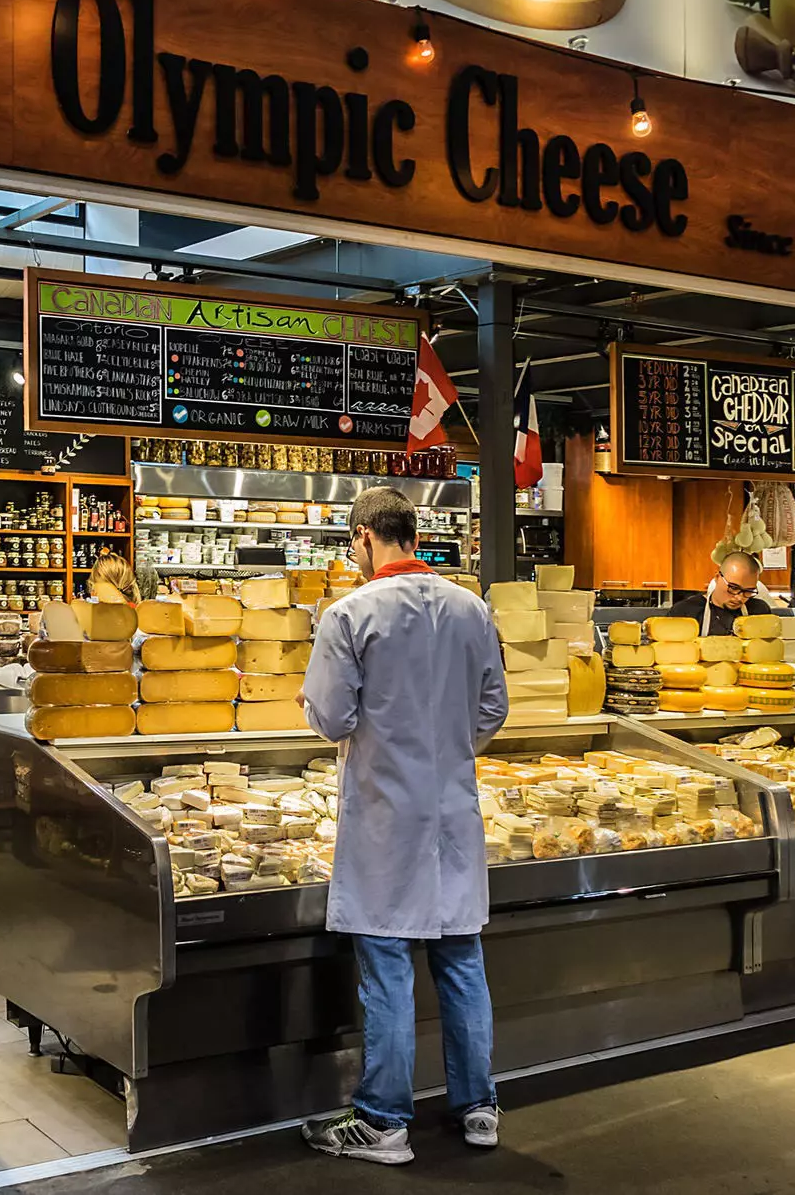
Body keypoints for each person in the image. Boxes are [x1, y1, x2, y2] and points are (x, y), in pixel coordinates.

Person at [298, 485, 507, 1165]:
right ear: (411, 533)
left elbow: (330, 717)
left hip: (387, 817)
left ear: (363, 536)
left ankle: (384, 1121)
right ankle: (478, 1107)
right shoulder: (472, 609)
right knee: (461, 960)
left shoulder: (349, 614)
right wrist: (447, 749)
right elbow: (493, 707)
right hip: (452, 810)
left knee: (388, 969)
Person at [664, 549, 773, 636]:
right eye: (733, 588)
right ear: (717, 577)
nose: (739, 598)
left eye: (748, 591)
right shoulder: (684, 612)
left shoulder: (759, 611)